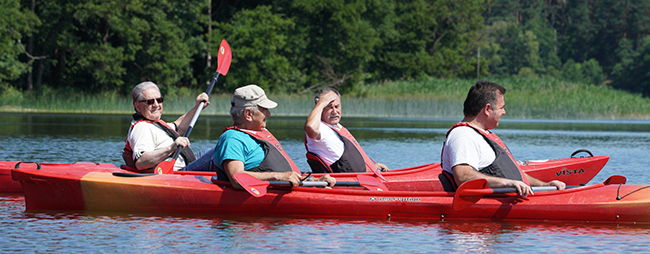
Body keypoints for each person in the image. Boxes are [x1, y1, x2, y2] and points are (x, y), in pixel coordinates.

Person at [185, 84, 336, 189]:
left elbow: (287, 172)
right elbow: (237, 178)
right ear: (248, 114)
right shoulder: (232, 139)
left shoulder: (262, 134)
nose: (268, 114)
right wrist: (279, 177)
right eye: (264, 110)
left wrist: (315, 180)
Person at [441, 80, 566, 197]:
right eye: (501, 108)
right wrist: (507, 183)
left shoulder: (481, 134)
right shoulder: (463, 136)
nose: (504, 112)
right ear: (487, 109)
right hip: (492, 203)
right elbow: (463, 175)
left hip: (514, 198)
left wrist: (545, 185)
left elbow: (514, 174)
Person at [122, 81, 210, 172]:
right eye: (150, 102)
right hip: (178, 172)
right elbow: (141, 162)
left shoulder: (155, 124)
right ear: (138, 107)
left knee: (213, 150)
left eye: (159, 100)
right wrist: (171, 148)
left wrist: (198, 107)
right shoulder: (141, 127)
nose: (156, 105)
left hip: (188, 164)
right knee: (219, 153)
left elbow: (179, 126)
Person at [304, 87, 388, 173]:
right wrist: (321, 103)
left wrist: (371, 167)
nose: (334, 111)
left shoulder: (337, 127)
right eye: (329, 107)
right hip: (347, 182)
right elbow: (310, 127)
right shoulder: (320, 128)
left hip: (364, 176)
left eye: (337, 106)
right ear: (320, 108)